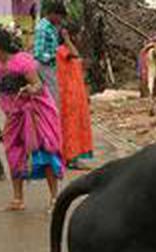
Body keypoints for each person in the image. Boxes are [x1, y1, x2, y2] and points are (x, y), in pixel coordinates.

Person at [0, 25, 64, 211]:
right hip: (14, 116)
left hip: (34, 114)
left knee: (43, 153)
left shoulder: (23, 61)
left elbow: (37, 85)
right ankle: (18, 199)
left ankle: (54, 198)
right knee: (13, 154)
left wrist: (31, 89)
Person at [56, 23, 93, 170]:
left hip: (76, 94)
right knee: (70, 127)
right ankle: (71, 158)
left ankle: (72, 157)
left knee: (76, 127)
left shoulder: (67, 50)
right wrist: (66, 39)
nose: (79, 38)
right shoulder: (63, 50)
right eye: (77, 34)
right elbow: (75, 54)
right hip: (68, 96)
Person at [32, 0, 65, 105]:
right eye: (60, 16)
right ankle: (53, 119)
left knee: (54, 95)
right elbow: (39, 53)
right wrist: (55, 56)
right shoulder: (43, 28)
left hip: (50, 66)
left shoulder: (52, 27)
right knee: (53, 97)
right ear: (53, 14)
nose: (60, 20)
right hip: (44, 66)